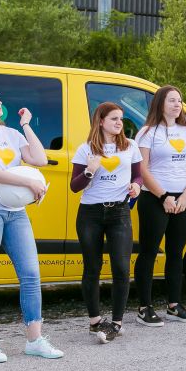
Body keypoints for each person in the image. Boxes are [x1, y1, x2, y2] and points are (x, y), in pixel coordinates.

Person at [0, 95, 63, 361]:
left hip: (15, 213)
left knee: (31, 274)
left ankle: (35, 340)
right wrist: (28, 184)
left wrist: (25, 125)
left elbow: (40, 159)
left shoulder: (12, 134)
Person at [71, 102, 142, 343]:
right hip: (90, 214)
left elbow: (138, 175)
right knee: (92, 268)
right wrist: (89, 170)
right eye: (114, 118)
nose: (119, 122)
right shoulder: (86, 149)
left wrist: (136, 186)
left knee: (121, 268)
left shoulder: (130, 146)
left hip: (119, 212)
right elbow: (75, 186)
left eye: (121, 118)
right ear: (101, 121)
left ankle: (116, 323)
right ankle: (94, 322)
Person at [133, 86, 186, 326]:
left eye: (179, 101)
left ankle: (174, 305)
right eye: (172, 100)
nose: (177, 105)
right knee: (149, 252)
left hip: (182, 199)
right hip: (154, 199)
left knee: (176, 252)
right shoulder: (147, 132)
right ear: (160, 103)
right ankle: (144, 307)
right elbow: (142, 168)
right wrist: (163, 196)